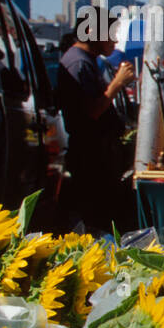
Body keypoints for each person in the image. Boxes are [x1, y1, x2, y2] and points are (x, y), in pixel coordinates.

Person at [54, 16, 135, 232]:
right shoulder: (79, 62)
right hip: (90, 156)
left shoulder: (85, 60)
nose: (114, 41)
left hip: (96, 154)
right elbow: (92, 111)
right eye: (110, 34)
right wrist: (117, 83)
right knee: (95, 220)